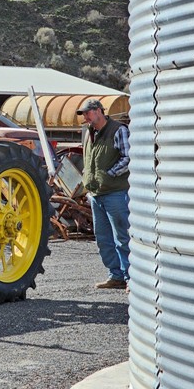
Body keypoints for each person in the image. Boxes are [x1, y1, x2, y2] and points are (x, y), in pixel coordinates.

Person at [77, 98, 131, 290]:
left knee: (122, 237)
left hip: (115, 192)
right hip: (96, 194)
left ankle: (130, 277)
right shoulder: (89, 133)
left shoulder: (118, 130)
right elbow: (88, 160)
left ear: (99, 111)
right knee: (103, 239)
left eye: (88, 113)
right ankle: (116, 275)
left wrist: (109, 175)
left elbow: (128, 157)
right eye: (83, 114)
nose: (85, 117)